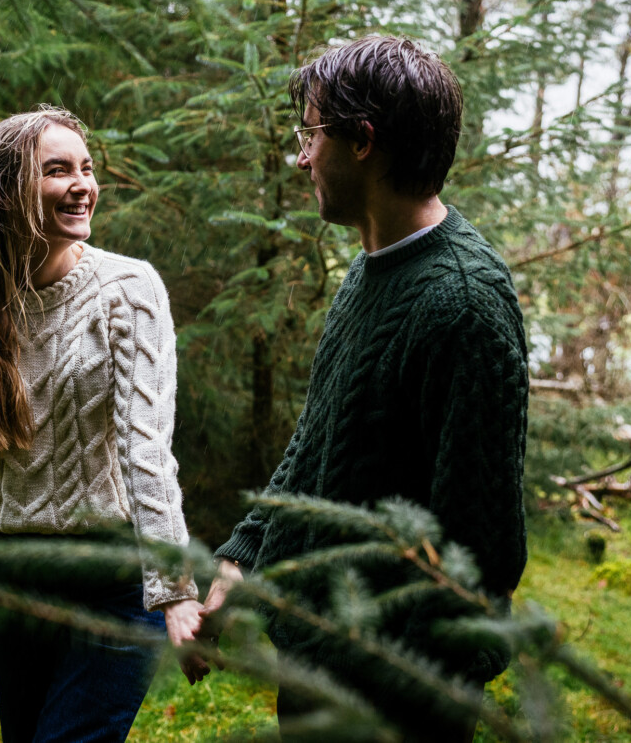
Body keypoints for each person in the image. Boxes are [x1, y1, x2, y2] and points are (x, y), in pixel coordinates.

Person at [199, 36, 529, 742]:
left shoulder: (465, 304)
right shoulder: (369, 271)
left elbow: (481, 549)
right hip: (318, 666)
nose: (300, 155)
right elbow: (320, 441)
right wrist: (241, 557)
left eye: (310, 132)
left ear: (362, 141)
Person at [0, 106, 207, 743]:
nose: (83, 184)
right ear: (8, 192)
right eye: (57, 171)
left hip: (109, 574)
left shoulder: (129, 290)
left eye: (86, 168)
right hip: (9, 570)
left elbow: (146, 452)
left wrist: (173, 588)